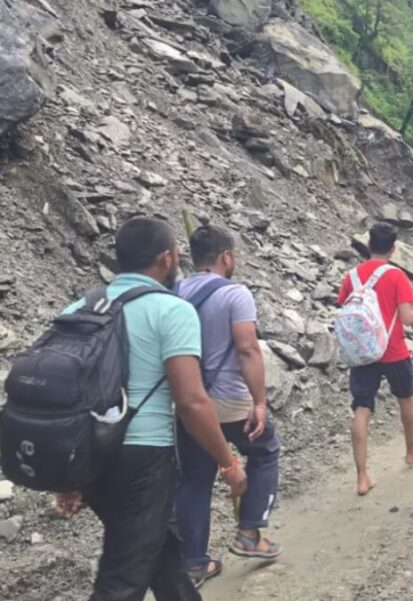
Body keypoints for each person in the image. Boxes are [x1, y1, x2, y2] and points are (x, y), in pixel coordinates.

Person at [54, 217, 246, 601]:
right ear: (166, 259)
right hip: (142, 461)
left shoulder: (83, 305)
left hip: (93, 454)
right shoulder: (170, 310)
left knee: (162, 553)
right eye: (176, 253)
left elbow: (67, 391)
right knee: (122, 579)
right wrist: (227, 463)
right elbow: (191, 402)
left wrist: (69, 475)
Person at [175, 225, 281, 586]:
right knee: (265, 448)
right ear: (226, 256)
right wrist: (260, 401)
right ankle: (249, 534)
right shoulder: (236, 294)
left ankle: (194, 562)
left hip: (190, 403)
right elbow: (247, 348)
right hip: (229, 399)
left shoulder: (174, 291)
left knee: (195, 478)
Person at [336, 223, 413, 495]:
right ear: (393, 249)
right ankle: (410, 452)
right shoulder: (396, 276)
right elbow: (407, 318)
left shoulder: (352, 276)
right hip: (392, 350)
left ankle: (362, 476)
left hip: (362, 352)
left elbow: (344, 307)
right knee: (406, 399)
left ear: (369, 245)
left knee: (361, 408)